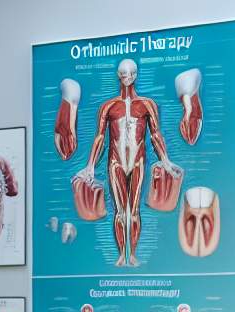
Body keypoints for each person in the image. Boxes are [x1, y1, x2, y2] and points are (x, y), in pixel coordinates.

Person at [76, 59, 177, 267]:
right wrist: (90, 166)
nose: (127, 78)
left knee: (134, 211)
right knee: (121, 211)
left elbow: (155, 134)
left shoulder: (147, 105)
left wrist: (165, 160)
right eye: (123, 74)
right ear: (118, 75)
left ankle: (133, 254)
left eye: (130, 73)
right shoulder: (109, 106)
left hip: (137, 161)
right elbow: (100, 138)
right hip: (116, 162)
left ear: (136, 75)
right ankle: (122, 253)